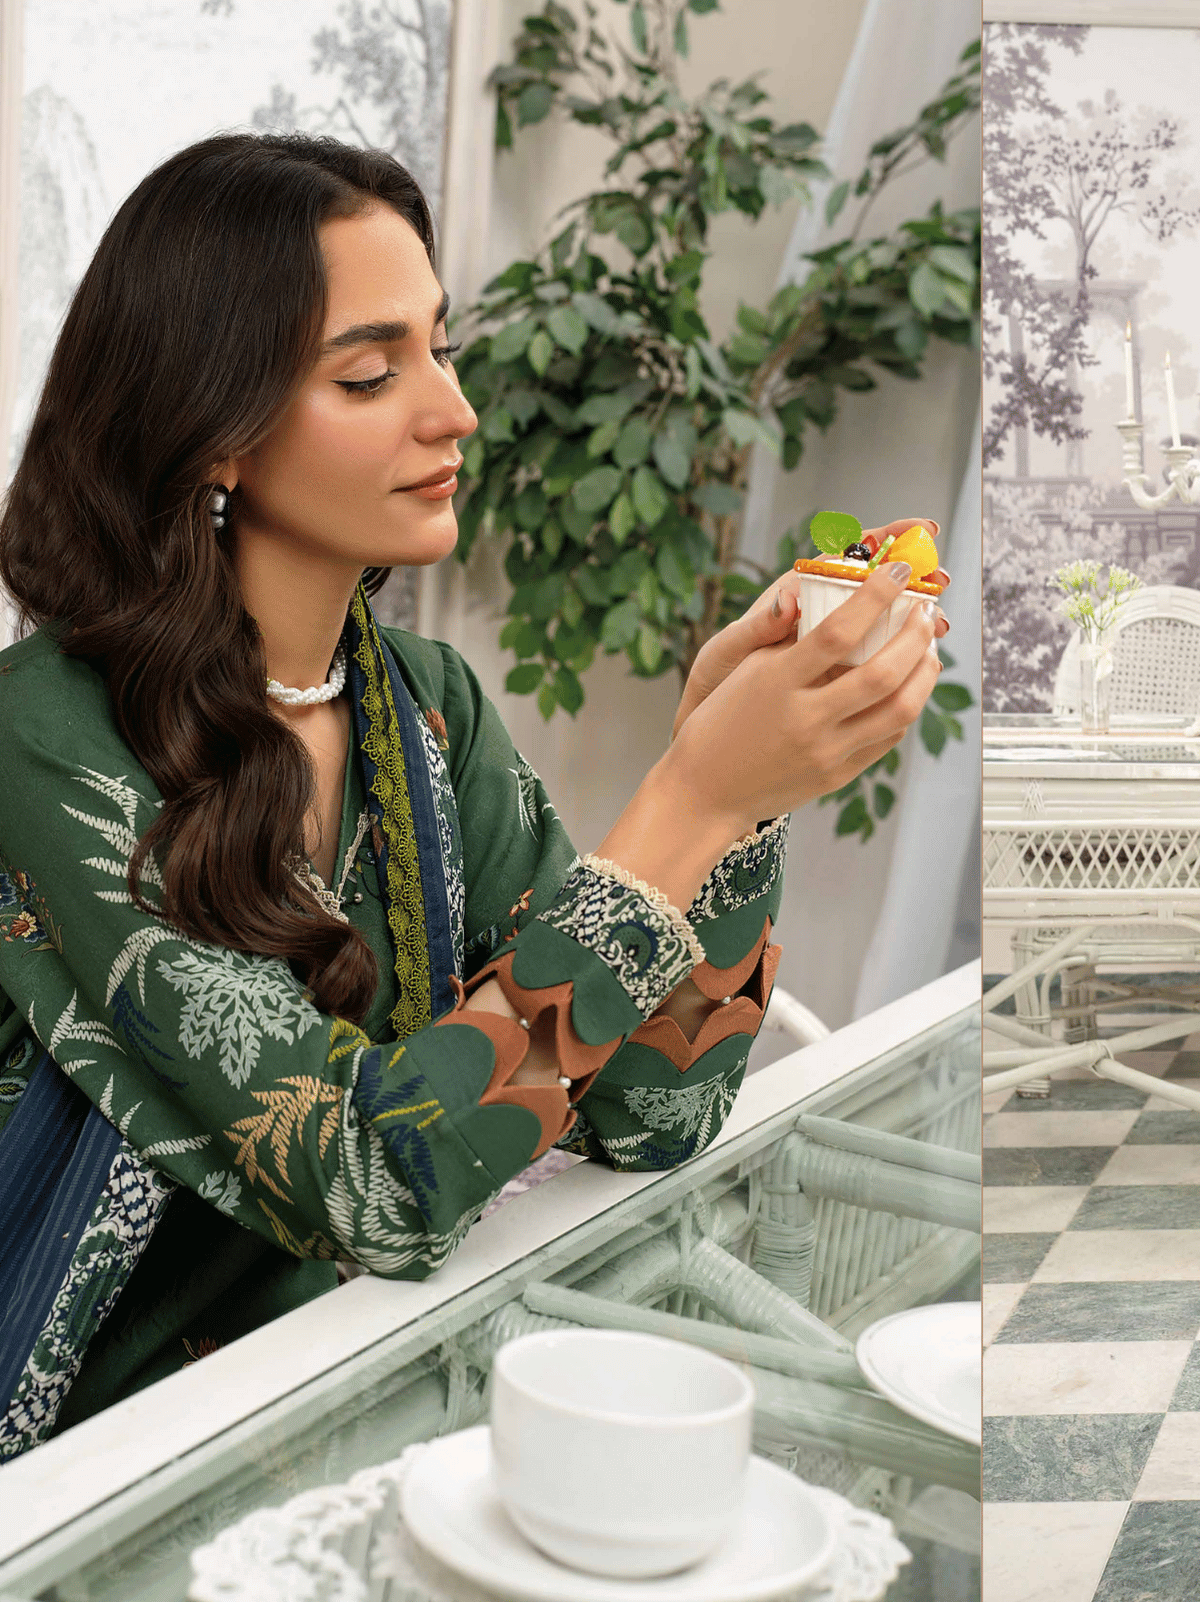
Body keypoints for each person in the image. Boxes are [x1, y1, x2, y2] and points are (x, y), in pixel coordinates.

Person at [0, 133, 949, 1460]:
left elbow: (654, 1113)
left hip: (394, 1375)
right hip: (123, 1466)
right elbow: (376, 1184)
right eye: (374, 372)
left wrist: (735, 804)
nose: (453, 411)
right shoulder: (48, 737)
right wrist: (687, 793)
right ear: (213, 432)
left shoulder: (420, 705)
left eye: (442, 350)